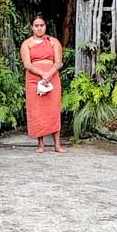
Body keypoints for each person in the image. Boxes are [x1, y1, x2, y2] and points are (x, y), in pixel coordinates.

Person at [20, 17, 66, 154]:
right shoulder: (26, 44)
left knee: (54, 109)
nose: (39, 28)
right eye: (36, 25)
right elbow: (27, 64)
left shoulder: (53, 42)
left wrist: (49, 74)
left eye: (42, 25)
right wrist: (41, 73)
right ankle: (40, 144)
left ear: (45, 26)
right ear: (32, 27)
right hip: (33, 79)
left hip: (52, 77)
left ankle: (57, 144)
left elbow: (58, 62)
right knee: (37, 110)